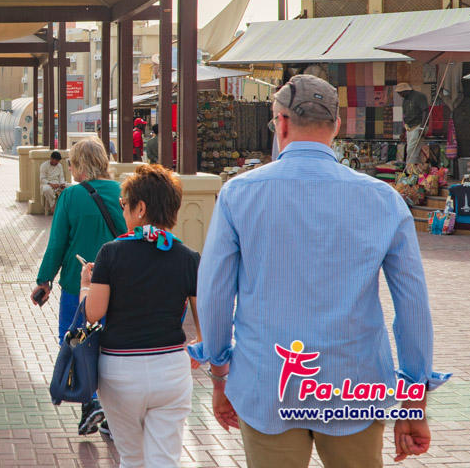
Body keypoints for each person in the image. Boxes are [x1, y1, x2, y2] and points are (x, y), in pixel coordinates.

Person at [189, 74, 448, 467]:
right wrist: (414, 403)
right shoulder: (383, 199)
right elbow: (413, 308)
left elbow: (214, 297)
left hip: (268, 381)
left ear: (281, 123)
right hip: (354, 385)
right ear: (336, 126)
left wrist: (221, 377)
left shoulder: (238, 194)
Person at [80, 163, 200, 467]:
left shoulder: (110, 253)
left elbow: (92, 314)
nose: (122, 210)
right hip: (171, 369)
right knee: (166, 460)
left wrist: (85, 286)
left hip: (120, 371)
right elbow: (206, 324)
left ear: (141, 208)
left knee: (132, 459)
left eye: (124, 204)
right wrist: (199, 346)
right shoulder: (189, 258)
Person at [32, 138, 126, 436]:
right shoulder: (123, 192)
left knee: (77, 343)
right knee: (114, 348)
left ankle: (91, 402)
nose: (70, 168)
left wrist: (44, 281)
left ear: (81, 166)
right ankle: (113, 415)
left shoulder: (71, 196)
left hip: (78, 285)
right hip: (119, 286)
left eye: (72, 163)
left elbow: (57, 244)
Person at [396, 82, 429, 165]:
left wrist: (422, 128)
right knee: (415, 151)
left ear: (406, 91)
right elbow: (406, 116)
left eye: (401, 93)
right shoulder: (405, 99)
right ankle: (420, 168)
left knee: (411, 150)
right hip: (409, 127)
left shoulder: (419, 96)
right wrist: (403, 131)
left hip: (418, 125)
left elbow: (425, 111)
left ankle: (409, 169)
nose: (400, 95)